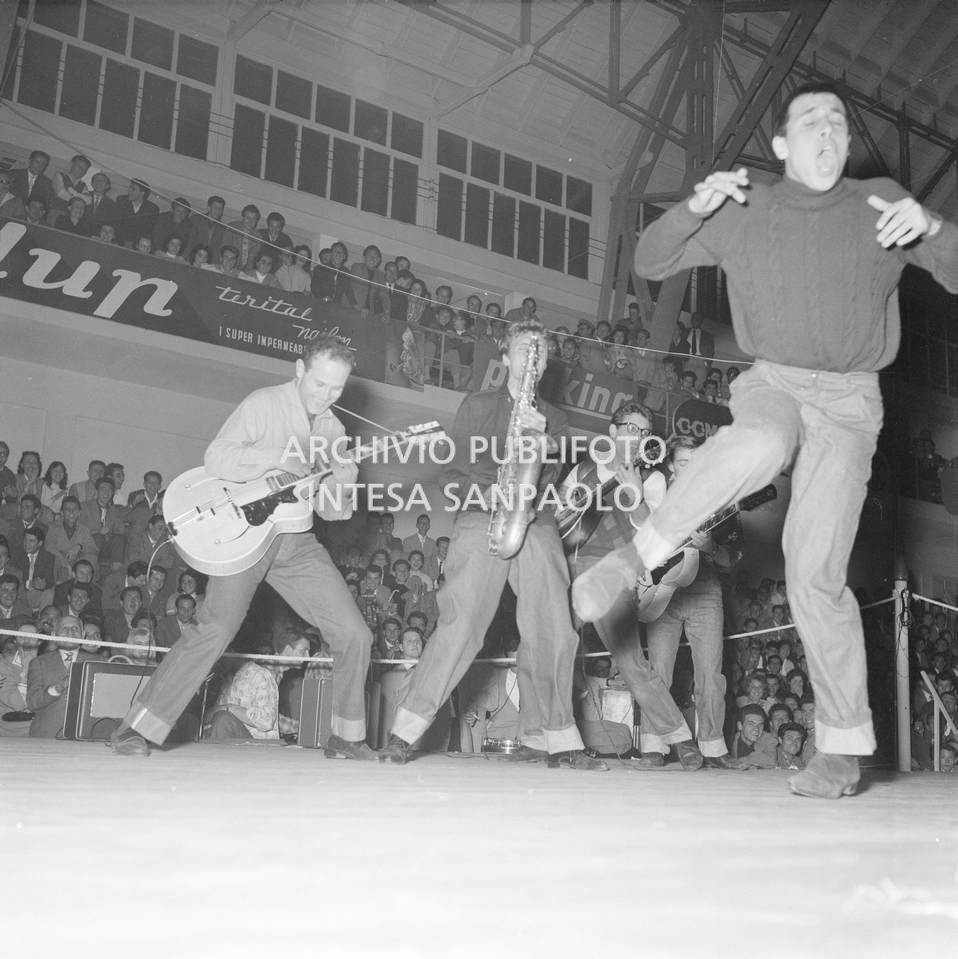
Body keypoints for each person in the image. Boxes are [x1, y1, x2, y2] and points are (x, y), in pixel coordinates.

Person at [573, 81, 958, 799]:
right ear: (782, 145)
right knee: (758, 445)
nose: (826, 129)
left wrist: (932, 227)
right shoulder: (750, 203)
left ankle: (843, 747)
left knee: (815, 571)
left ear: (847, 145)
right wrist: (695, 205)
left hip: (850, 402)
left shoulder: (878, 200)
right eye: (809, 119)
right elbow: (652, 261)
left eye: (838, 121)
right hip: (774, 381)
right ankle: (637, 558)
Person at [110, 336, 376, 759]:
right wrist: (276, 460)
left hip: (295, 540)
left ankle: (346, 734)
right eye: (320, 384)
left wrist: (344, 478)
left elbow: (332, 513)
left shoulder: (334, 430)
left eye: (337, 388)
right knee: (215, 627)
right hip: (245, 535)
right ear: (299, 370)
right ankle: (136, 728)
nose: (326, 396)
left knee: (355, 633)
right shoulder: (263, 403)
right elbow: (217, 458)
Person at [380, 320, 606, 770]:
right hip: (484, 514)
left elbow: (553, 482)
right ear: (506, 360)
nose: (531, 360)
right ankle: (404, 732)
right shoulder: (479, 404)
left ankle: (561, 739)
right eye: (524, 351)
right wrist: (490, 496)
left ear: (544, 367)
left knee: (555, 629)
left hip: (534, 519)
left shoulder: (556, 420)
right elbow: (450, 475)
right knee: (461, 625)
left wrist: (543, 439)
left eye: (539, 354)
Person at [560, 403, 702, 769]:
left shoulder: (651, 478)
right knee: (554, 650)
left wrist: (634, 493)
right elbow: (558, 518)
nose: (637, 437)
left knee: (632, 663)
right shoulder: (584, 469)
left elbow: (650, 530)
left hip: (613, 571)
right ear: (613, 431)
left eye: (643, 432)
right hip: (570, 568)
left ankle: (680, 738)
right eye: (630, 428)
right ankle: (547, 738)